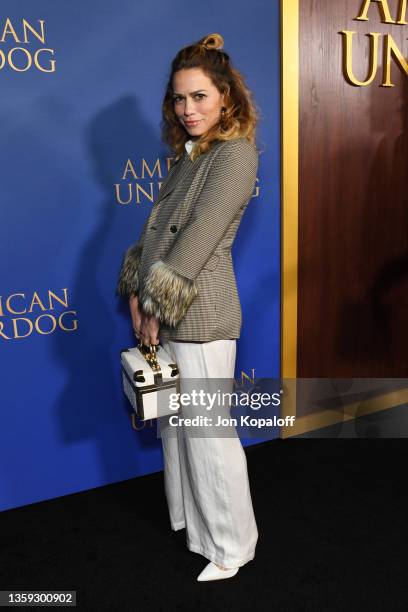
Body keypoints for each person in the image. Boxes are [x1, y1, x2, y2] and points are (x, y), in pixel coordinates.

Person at [116, 32, 259, 582]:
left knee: (207, 434)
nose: (188, 108)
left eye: (199, 96)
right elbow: (159, 233)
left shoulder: (234, 155)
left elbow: (198, 239)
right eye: (179, 98)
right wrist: (138, 286)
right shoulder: (188, 156)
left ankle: (231, 546)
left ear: (226, 96)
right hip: (171, 308)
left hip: (202, 316)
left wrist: (153, 300)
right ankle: (195, 526)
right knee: (178, 429)